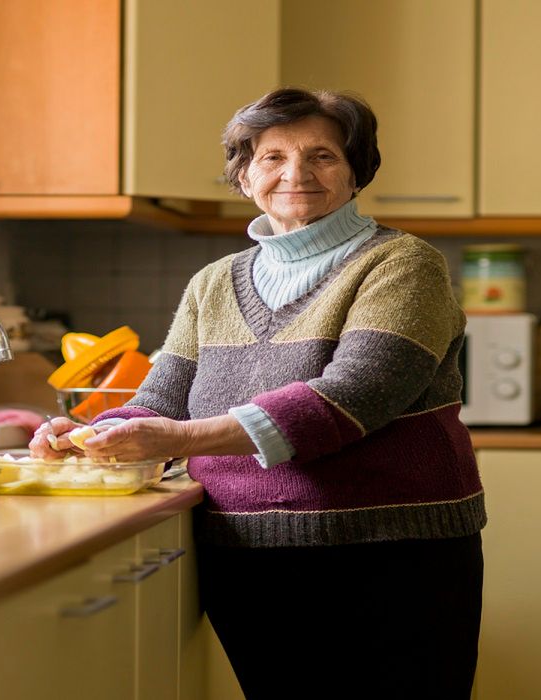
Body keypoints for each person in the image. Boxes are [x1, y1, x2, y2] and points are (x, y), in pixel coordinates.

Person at [31, 87, 485, 698]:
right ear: (244, 175)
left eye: (322, 156)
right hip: (244, 553)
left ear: (357, 172)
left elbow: (351, 400)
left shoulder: (403, 265)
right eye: (272, 157)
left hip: (390, 552)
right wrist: (92, 436)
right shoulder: (212, 283)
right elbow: (163, 399)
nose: (295, 173)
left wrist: (178, 438)